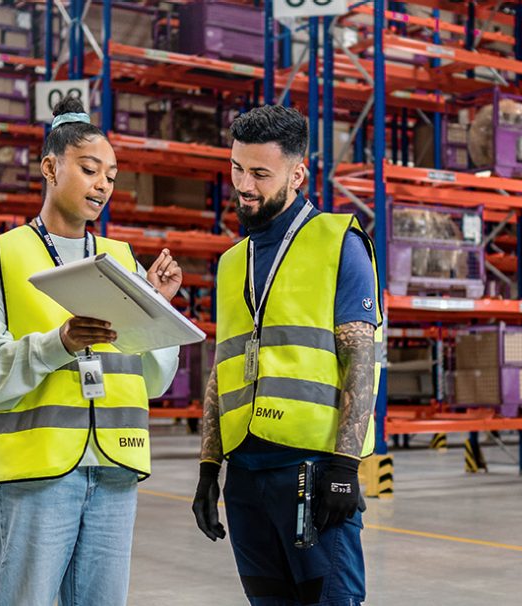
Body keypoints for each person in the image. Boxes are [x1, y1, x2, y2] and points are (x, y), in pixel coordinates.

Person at [0, 96, 186, 606]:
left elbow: (154, 379)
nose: (103, 184)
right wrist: (58, 344)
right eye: (90, 169)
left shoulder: (122, 261)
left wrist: (156, 310)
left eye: (112, 176)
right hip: (37, 476)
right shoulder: (3, 256)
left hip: (116, 472)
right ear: (50, 168)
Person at [192, 104, 382, 606]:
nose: (244, 185)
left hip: (313, 470)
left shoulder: (339, 242)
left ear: (297, 174)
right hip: (246, 473)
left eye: (260, 173)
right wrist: (209, 468)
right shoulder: (233, 262)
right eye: (237, 168)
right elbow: (223, 367)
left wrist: (345, 466)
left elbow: (362, 359)